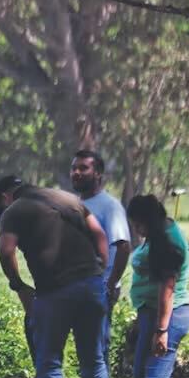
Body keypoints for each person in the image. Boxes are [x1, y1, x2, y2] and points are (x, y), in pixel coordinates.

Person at [0, 175, 111, 378]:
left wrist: (18, 284)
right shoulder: (67, 198)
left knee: (49, 363)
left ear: (4, 198)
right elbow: (99, 234)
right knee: (93, 359)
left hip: (54, 291)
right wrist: (101, 270)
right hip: (91, 286)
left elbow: (6, 250)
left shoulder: (14, 210)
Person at [127, 195, 189, 378]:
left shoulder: (167, 242)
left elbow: (167, 288)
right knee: (143, 377)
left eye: (137, 223)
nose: (135, 228)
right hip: (152, 314)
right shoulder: (157, 235)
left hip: (168, 317)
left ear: (147, 220)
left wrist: (161, 330)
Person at [70, 150, 132, 358]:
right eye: (73, 168)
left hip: (98, 289)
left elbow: (123, 246)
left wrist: (110, 283)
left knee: (97, 352)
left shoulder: (110, 206)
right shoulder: (74, 204)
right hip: (76, 286)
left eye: (83, 168)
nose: (76, 173)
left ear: (98, 173)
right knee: (84, 351)